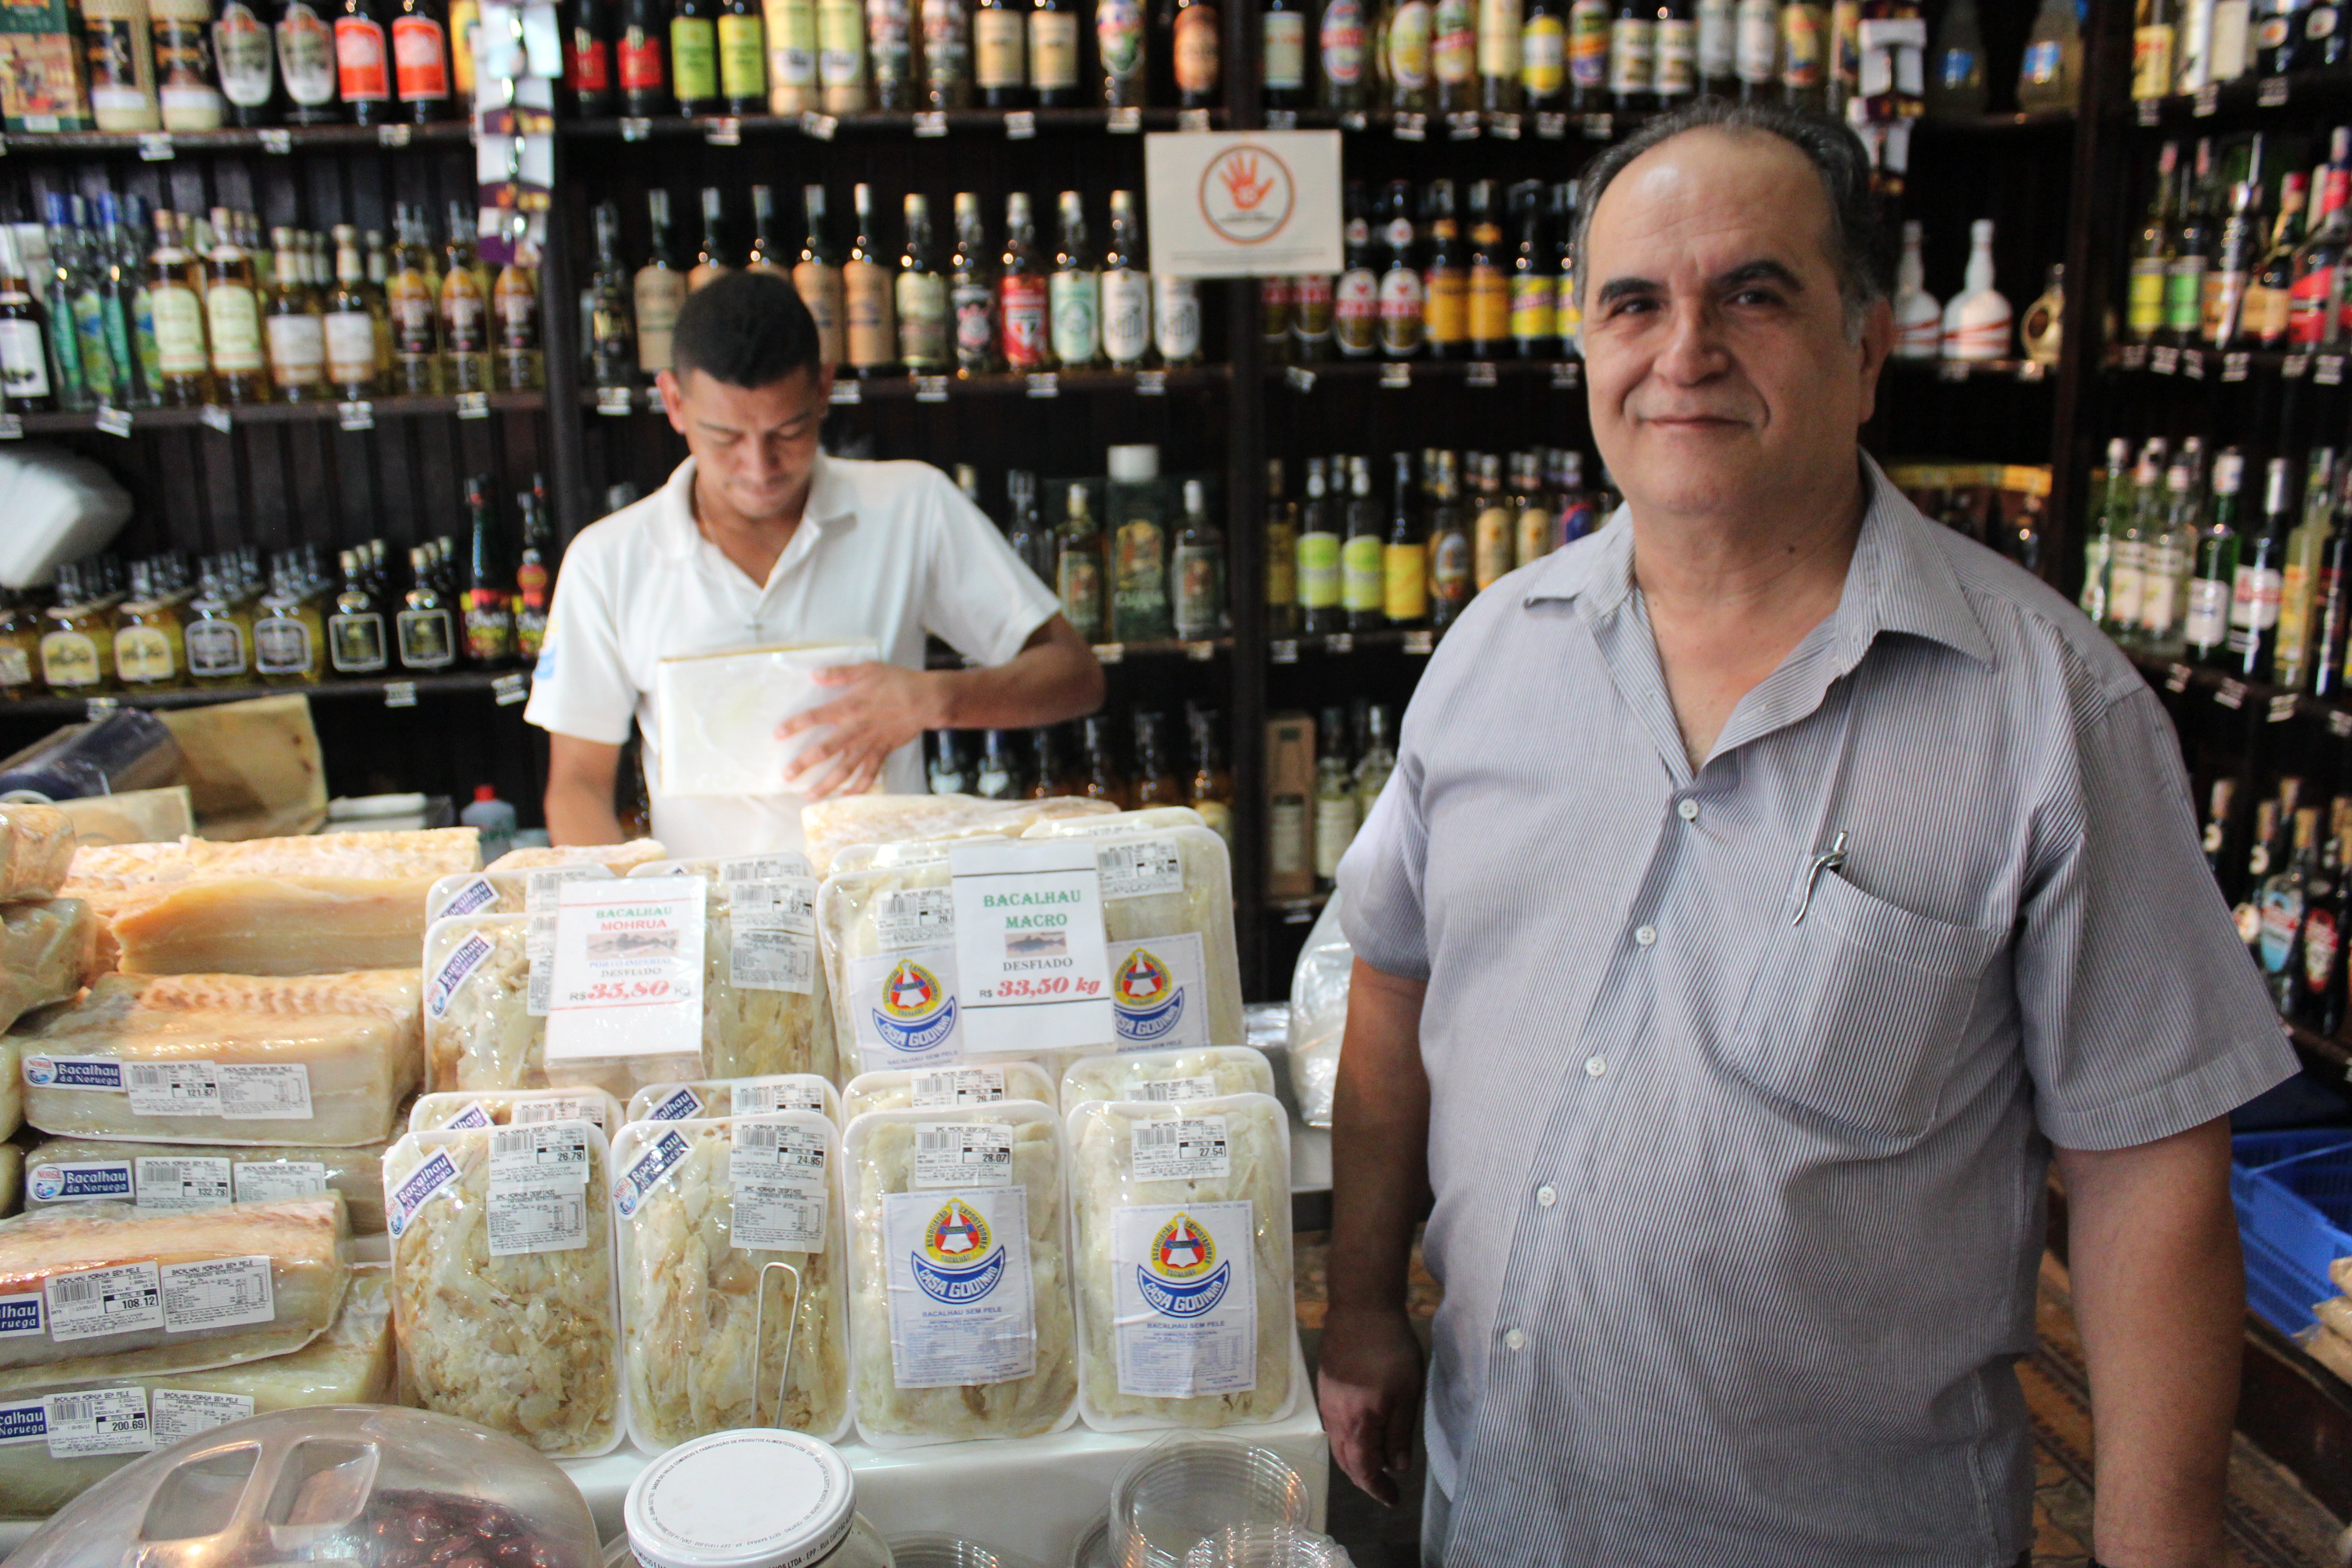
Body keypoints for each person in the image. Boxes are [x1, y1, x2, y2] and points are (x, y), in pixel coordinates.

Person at [1318, 98, 2296, 1568]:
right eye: (1633, 303)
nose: (1684, 351)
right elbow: (1391, 990)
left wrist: (2154, 1545)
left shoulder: (2048, 711)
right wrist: (1363, 1305)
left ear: (1867, 345)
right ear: (1584, 343)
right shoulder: (1487, 655)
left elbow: (2148, 1165)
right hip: (1496, 1501)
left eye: (1753, 294)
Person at [524, 270, 1103, 856]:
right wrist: (632, 924)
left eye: (789, 431)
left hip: (889, 914)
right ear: (674, 402)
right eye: (725, 437)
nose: (759, 467)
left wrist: (936, 699)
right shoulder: (608, 560)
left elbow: (1075, 676)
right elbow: (577, 785)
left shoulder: (910, 505)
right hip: (708, 923)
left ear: (824, 389)